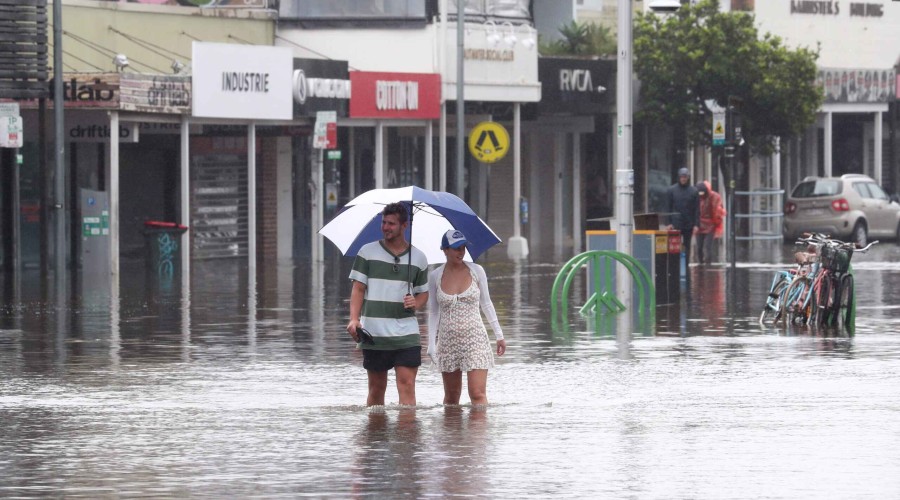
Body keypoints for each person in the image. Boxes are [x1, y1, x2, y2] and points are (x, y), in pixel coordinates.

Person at [346, 202, 429, 407]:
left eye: (391, 223)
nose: (385, 227)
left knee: (407, 384)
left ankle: (407, 437)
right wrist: (354, 319)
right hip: (374, 334)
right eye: (383, 222)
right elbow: (358, 289)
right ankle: (376, 436)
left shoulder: (418, 258)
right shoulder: (367, 252)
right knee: (376, 389)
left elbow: (424, 294)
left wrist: (415, 303)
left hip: (406, 335)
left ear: (404, 226)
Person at [427, 229, 506, 406]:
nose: (460, 252)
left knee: (477, 394)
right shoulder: (435, 276)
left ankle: (478, 434)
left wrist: (499, 335)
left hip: (475, 339)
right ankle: (451, 434)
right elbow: (433, 312)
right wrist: (431, 344)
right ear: (445, 250)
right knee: (451, 398)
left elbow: (486, 304)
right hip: (448, 342)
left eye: (463, 247)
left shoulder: (477, 271)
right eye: (456, 248)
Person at [665, 167, 699, 265]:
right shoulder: (671, 190)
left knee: (687, 245)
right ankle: (674, 264)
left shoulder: (694, 191)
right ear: (679, 177)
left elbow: (697, 209)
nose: (683, 179)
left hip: (689, 223)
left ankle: (686, 263)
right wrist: (668, 223)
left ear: (688, 177)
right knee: (674, 246)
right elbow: (668, 207)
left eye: (685, 177)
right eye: (681, 177)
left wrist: (696, 224)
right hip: (676, 223)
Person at [694, 180, 725, 265]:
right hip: (698, 225)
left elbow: (718, 209)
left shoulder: (714, 197)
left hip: (710, 225)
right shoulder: (694, 197)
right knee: (699, 247)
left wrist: (718, 215)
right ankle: (700, 263)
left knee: (708, 247)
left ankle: (708, 263)